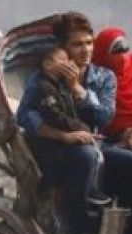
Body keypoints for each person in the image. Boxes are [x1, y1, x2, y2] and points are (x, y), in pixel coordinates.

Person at [16, 12, 132, 234]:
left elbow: (104, 117)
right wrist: (62, 136)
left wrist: (77, 89)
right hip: (54, 149)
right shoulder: (45, 77)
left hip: (94, 145)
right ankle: (79, 231)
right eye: (77, 44)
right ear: (64, 48)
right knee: (84, 156)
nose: (85, 50)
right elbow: (25, 115)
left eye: (89, 43)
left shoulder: (104, 77)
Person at [28, 45, 111, 206]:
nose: (69, 64)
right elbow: (56, 116)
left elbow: (99, 114)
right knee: (89, 155)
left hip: (67, 137)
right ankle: (74, 210)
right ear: (48, 65)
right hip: (50, 145)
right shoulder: (43, 87)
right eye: (63, 60)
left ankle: (92, 190)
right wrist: (80, 129)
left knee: (98, 153)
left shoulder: (63, 85)